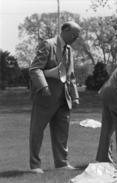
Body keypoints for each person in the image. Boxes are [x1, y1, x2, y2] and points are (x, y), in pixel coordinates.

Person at [29, 21, 81, 174]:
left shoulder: (70, 50)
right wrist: (43, 86)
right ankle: (35, 165)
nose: (76, 38)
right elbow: (35, 68)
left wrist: (75, 96)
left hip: (64, 98)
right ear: (64, 30)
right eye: (74, 34)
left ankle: (62, 163)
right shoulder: (47, 44)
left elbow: (71, 75)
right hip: (45, 96)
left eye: (77, 35)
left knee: (62, 132)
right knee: (37, 131)